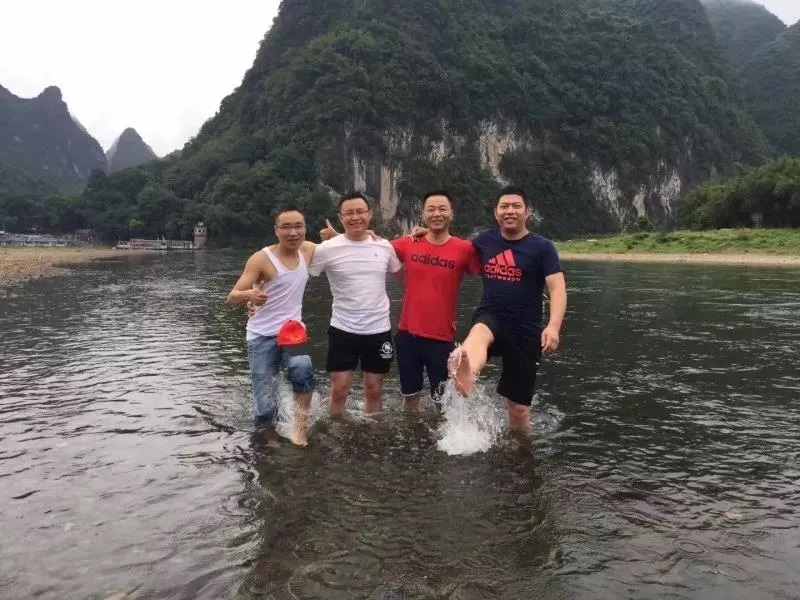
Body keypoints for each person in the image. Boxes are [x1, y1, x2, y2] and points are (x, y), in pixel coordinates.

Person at [449, 185, 567, 432]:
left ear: (527, 211)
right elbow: (450, 247)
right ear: (496, 212)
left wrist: (553, 327)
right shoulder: (484, 241)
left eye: (516, 206)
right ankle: (466, 368)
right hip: (491, 315)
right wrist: (424, 233)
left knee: (519, 409)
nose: (510, 211)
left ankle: (521, 447)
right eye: (504, 206)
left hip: (526, 329)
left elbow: (557, 287)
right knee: (479, 334)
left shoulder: (542, 247)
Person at [226, 205, 316, 446]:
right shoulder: (262, 259)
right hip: (260, 336)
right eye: (286, 227)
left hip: (292, 332)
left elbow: (345, 244)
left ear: (305, 228)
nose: (293, 232)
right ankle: (266, 439)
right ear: (276, 230)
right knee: (265, 407)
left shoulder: (307, 250)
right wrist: (249, 295)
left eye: (298, 226)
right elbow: (232, 297)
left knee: (302, 367)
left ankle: (299, 429)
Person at [309, 192, 402, 415]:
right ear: (340, 218)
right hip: (343, 329)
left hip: (378, 329)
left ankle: (372, 431)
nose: (355, 217)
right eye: (349, 213)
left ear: (370, 215)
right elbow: (299, 274)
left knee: (374, 389)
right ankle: (336, 430)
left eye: (360, 211)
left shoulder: (384, 246)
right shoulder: (327, 249)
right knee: (339, 390)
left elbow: (403, 275)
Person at [389, 191, 480, 409]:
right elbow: (371, 248)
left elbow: (491, 267)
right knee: (410, 397)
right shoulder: (409, 243)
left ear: (451, 214)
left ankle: (438, 432)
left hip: (441, 339)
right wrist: (343, 238)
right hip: (407, 335)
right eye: (431, 209)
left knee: (442, 402)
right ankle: (412, 429)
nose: (436, 214)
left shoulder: (464, 249)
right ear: (423, 214)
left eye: (442, 209)